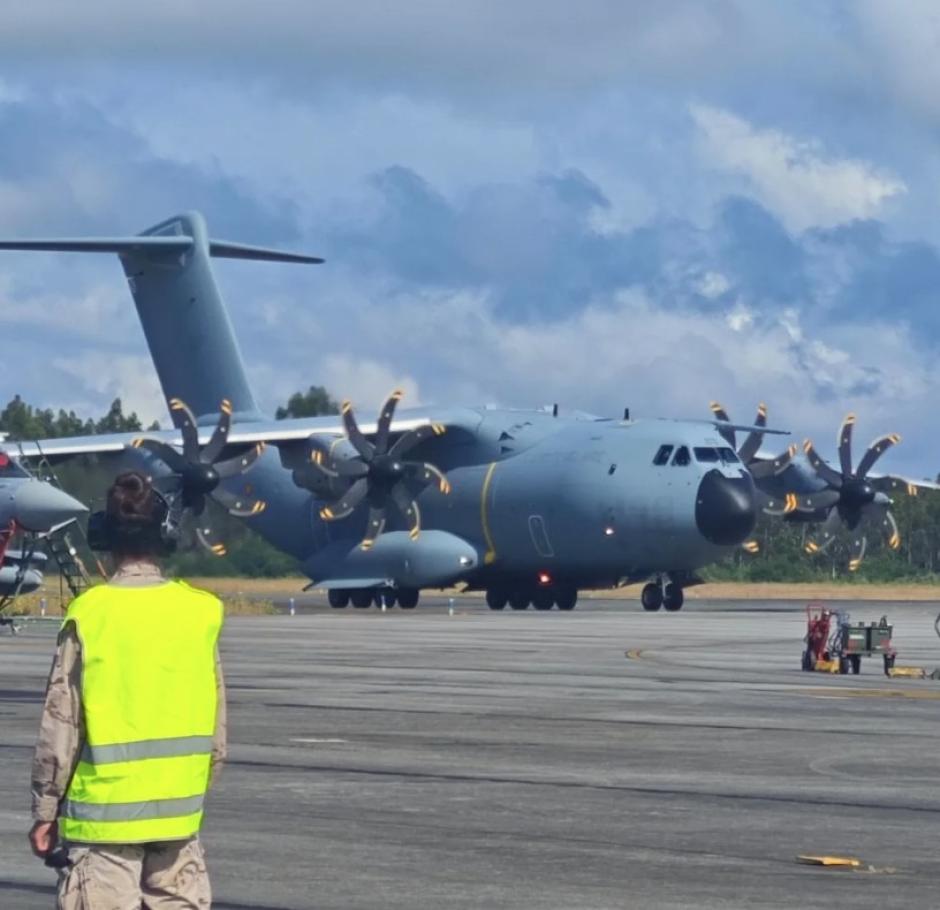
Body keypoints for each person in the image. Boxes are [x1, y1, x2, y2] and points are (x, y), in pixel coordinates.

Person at [28, 471, 226, 909]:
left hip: (103, 830)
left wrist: (46, 811)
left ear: (105, 537)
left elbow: (61, 725)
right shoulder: (201, 612)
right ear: (166, 534)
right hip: (179, 824)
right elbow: (217, 735)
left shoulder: (90, 615)